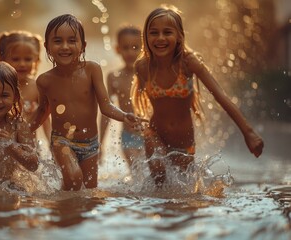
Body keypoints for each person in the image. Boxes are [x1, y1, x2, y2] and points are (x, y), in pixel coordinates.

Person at [131, 5, 264, 186]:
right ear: (145, 36)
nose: (160, 38)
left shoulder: (188, 63)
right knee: (159, 177)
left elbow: (220, 96)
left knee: (184, 191)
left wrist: (248, 132)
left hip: (184, 139)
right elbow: (137, 101)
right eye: (154, 32)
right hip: (155, 133)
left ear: (179, 36)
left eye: (167, 32)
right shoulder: (143, 66)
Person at [30, 14, 139, 191]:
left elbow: (106, 106)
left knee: (89, 193)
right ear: (47, 47)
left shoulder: (92, 70)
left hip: (90, 144)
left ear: (83, 46)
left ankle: (63, 210)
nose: (65, 47)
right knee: (74, 177)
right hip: (61, 141)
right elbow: (42, 112)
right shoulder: (45, 81)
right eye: (58, 41)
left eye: (72, 41)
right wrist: (22, 132)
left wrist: (124, 116)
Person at [0, 30, 52, 148]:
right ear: (3, 59)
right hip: (2, 148)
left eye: (27, 59)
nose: (22, 64)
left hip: (28, 149)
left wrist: (51, 145)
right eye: (16, 59)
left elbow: (45, 119)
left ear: (36, 60)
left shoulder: (37, 88)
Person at [100, 24, 144, 169]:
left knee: (156, 176)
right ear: (117, 49)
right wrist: (101, 143)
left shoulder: (148, 74)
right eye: (125, 48)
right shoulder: (114, 77)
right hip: (128, 136)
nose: (130, 53)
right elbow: (106, 111)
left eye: (135, 47)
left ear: (143, 48)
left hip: (151, 134)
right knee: (138, 175)